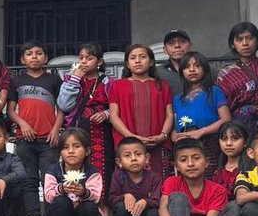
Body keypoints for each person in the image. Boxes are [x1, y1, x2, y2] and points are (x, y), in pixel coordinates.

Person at [8, 40, 62, 216]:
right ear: (22, 59)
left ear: (45, 58)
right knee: (29, 181)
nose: (34, 57)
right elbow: (11, 110)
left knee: (49, 180)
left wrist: (56, 129)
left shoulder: (54, 80)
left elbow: (62, 108)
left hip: (49, 140)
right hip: (25, 140)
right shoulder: (17, 81)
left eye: (39, 53)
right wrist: (22, 124)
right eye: (29, 54)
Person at [108, 44, 174, 178]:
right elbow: (114, 116)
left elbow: (169, 114)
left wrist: (163, 136)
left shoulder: (163, 86)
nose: (137, 61)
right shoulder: (117, 85)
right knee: (128, 187)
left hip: (157, 143)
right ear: (127, 64)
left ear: (151, 62)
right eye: (133, 58)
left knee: (159, 184)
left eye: (142, 57)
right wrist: (130, 136)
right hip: (128, 144)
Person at [57, 43, 114, 185]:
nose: (83, 61)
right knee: (77, 165)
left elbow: (117, 107)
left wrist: (106, 114)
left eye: (89, 58)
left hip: (102, 134)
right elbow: (64, 105)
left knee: (104, 167)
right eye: (81, 58)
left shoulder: (109, 82)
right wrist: (75, 78)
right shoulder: (70, 80)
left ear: (99, 62)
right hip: (77, 130)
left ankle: (102, 204)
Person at [44, 127, 104, 216]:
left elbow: (96, 196)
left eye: (76, 146)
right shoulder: (53, 170)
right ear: (60, 152)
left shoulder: (92, 172)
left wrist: (83, 192)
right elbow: (48, 195)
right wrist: (62, 189)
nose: (71, 151)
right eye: (65, 147)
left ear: (87, 151)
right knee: (61, 201)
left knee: (89, 206)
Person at [216, 21, 258, 135]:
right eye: (239, 39)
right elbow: (222, 106)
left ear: (257, 41)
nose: (245, 43)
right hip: (240, 125)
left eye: (249, 38)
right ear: (233, 44)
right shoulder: (225, 74)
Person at [171, 51, 231, 173]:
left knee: (210, 176)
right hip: (185, 145)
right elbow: (174, 126)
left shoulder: (214, 91)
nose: (192, 70)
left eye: (197, 66)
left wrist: (201, 131)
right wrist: (174, 137)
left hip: (210, 142)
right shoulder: (178, 98)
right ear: (182, 71)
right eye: (187, 67)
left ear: (205, 69)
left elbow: (226, 119)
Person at [107, 136, 164, 216]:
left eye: (138, 154)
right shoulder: (118, 176)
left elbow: (158, 201)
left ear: (147, 158)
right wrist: (125, 196)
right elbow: (111, 200)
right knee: (120, 207)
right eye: (127, 156)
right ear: (119, 162)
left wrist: (145, 202)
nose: (133, 159)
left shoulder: (154, 177)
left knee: (153, 212)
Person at [211, 121, 251, 195]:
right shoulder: (218, 171)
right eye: (224, 139)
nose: (228, 143)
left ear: (245, 142)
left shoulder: (253, 169)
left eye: (235, 138)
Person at [157, 29, 192, 97]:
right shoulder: (157, 72)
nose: (177, 45)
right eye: (171, 43)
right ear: (165, 50)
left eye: (182, 41)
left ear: (190, 46)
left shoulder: (204, 69)